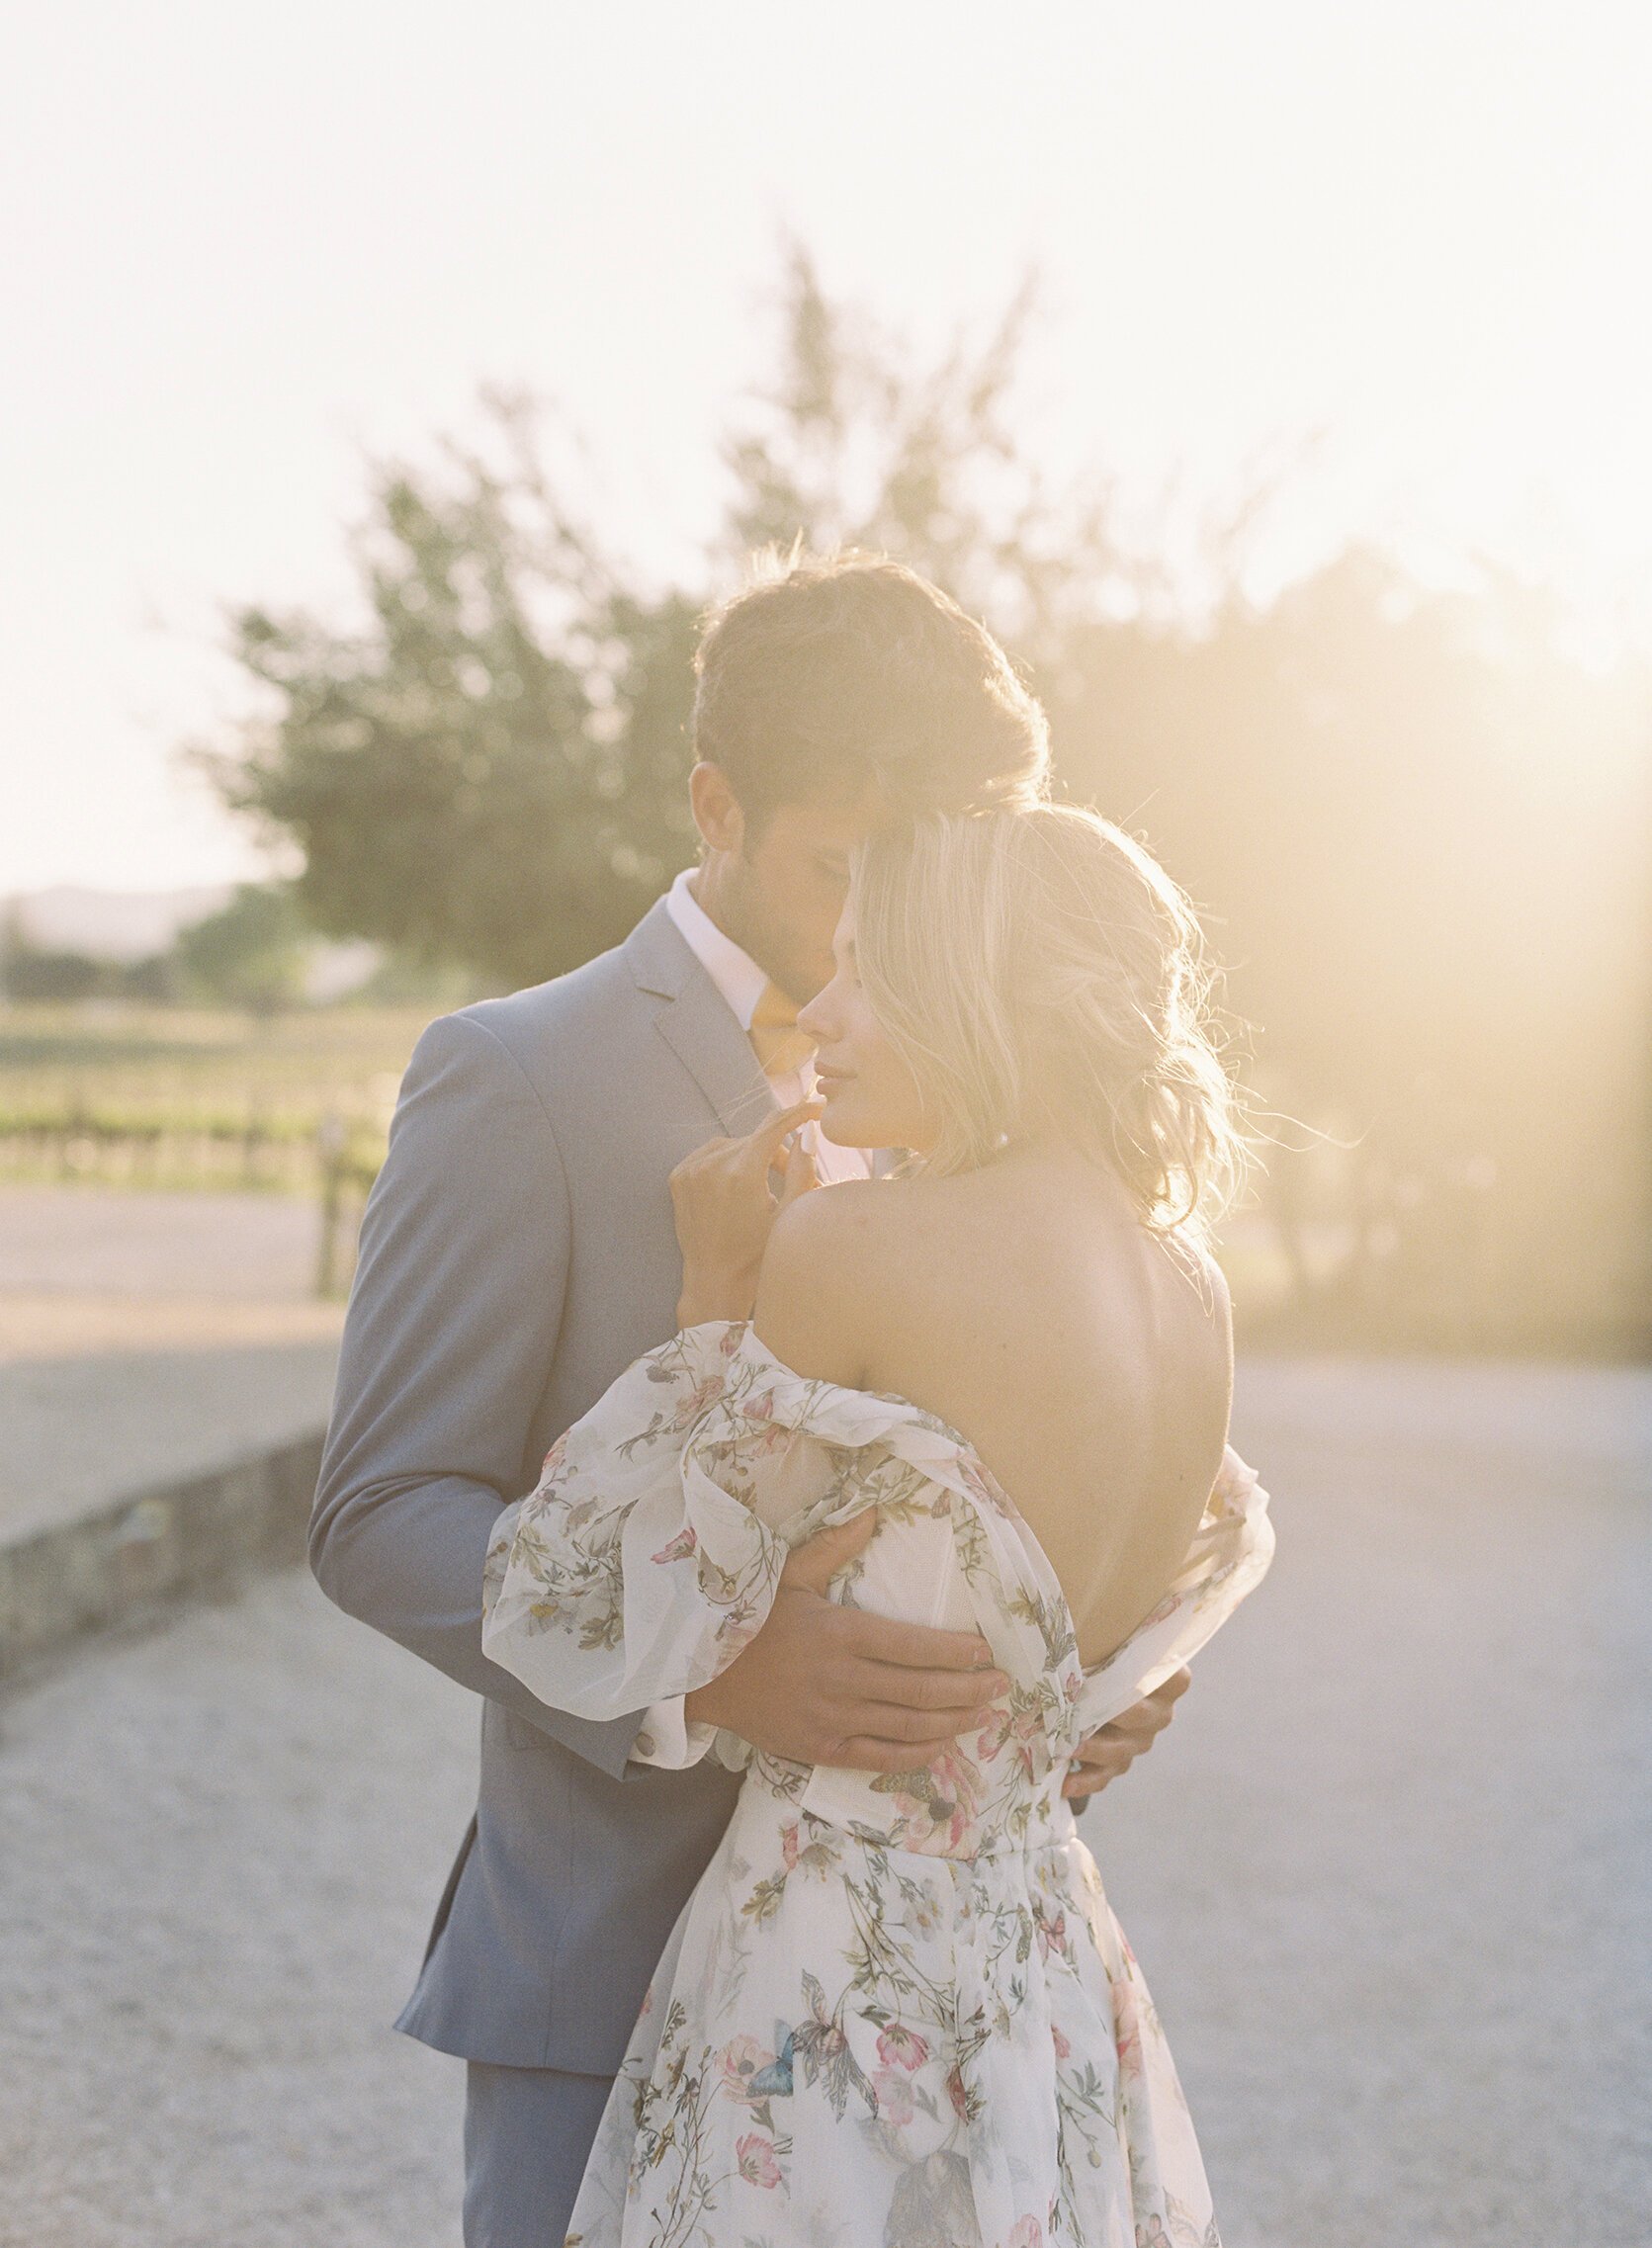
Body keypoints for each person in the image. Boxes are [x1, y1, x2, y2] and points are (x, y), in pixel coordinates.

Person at [310, 555, 1196, 2248]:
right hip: (610, 1955)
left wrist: (1081, 1665)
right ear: (717, 803)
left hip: (943, 2010)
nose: (922, 921)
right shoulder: (520, 1077)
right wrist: (710, 1675)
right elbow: (381, 1514)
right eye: (861, 869)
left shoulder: (997, 1123)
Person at [483, 801, 1272, 2248]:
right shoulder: (1192, 1293)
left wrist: (711, 1303)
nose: (820, 1016)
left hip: (835, 1958)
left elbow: (599, 1591)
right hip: (1045, 1969)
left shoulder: (848, 1246)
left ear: (978, 991)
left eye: (867, 972)